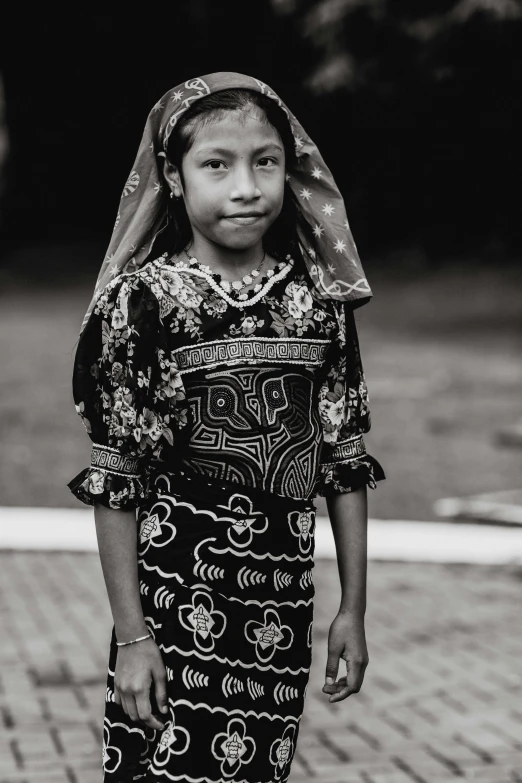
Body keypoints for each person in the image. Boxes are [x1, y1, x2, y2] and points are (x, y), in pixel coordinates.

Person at [68, 72, 385, 782]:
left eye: (265, 161)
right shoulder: (143, 304)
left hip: (280, 607)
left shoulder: (317, 301)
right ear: (173, 179)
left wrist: (352, 610)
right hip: (175, 604)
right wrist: (132, 637)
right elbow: (116, 477)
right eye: (217, 163)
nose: (246, 185)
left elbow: (344, 456)